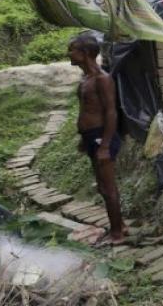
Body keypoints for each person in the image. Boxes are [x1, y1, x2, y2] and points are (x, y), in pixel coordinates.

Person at [68, 33, 126, 244]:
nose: (69, 53)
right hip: (92, 137)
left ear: (85, 53)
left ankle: (117, 233)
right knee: (102, 187)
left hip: (102, 137)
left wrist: (105, 145)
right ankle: (119, 226)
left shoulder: (103, 79)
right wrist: (84, 138)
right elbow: (87, 109)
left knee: (108, 188)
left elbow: (111, 112)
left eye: (72, 49)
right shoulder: (86, 79)